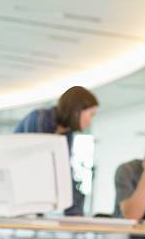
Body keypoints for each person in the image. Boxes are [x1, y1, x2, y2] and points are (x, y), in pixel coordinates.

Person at [14, 85, 99, 215]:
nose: (90, 121)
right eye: (91, 115)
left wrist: (75, 216)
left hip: (34, 199)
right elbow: (35, 168)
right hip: (20, 194)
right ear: (77, 110)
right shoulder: (39, 119)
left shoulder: (67, 134)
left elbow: (63, 170)